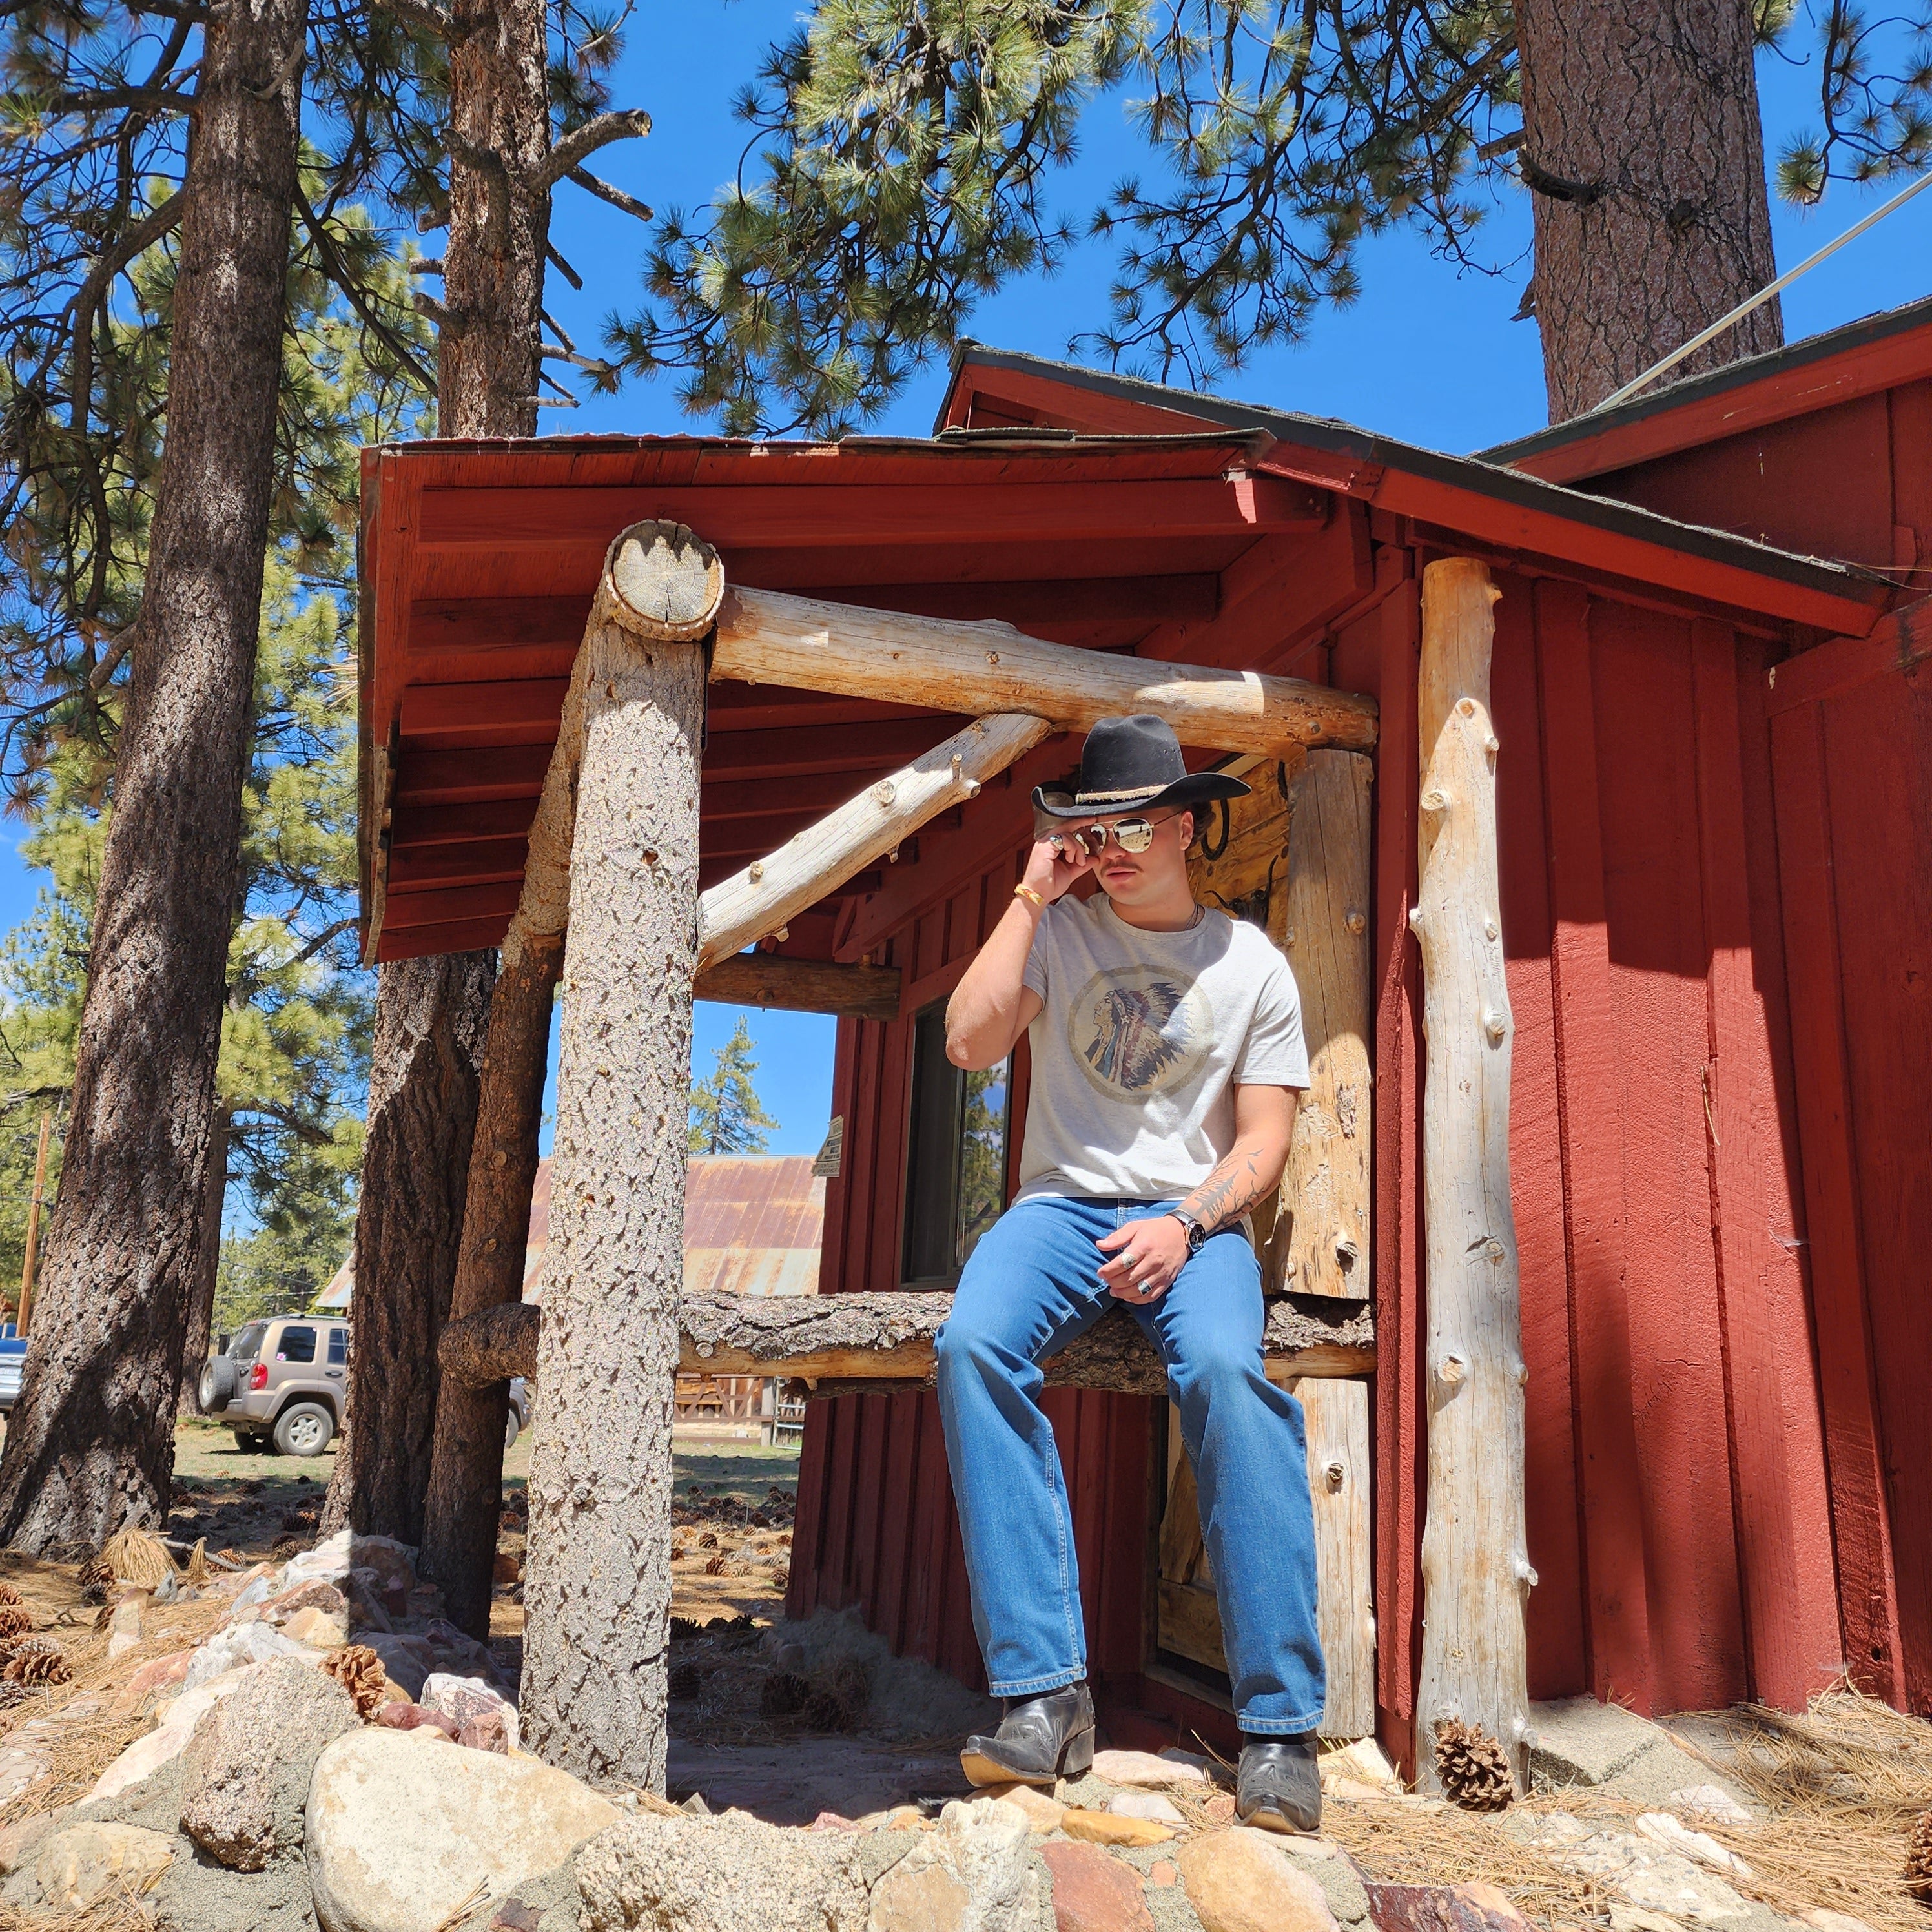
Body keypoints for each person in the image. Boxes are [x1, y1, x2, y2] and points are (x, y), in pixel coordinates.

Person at [936, 712, 1326, 1834]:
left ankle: (1282, 1729)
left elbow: (1262, 1141)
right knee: (971, 1346)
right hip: (1057, 1209)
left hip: (1191, 1222)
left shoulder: (1250, 964)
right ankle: (1043, 1694)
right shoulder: (1056, 936)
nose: (1113, 847)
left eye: (1137, 826)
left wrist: (1188, 1223)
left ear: (1190, 828)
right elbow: (967, 1042)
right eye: (1096, 829)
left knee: (1222, 1372)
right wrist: (1027, 897)